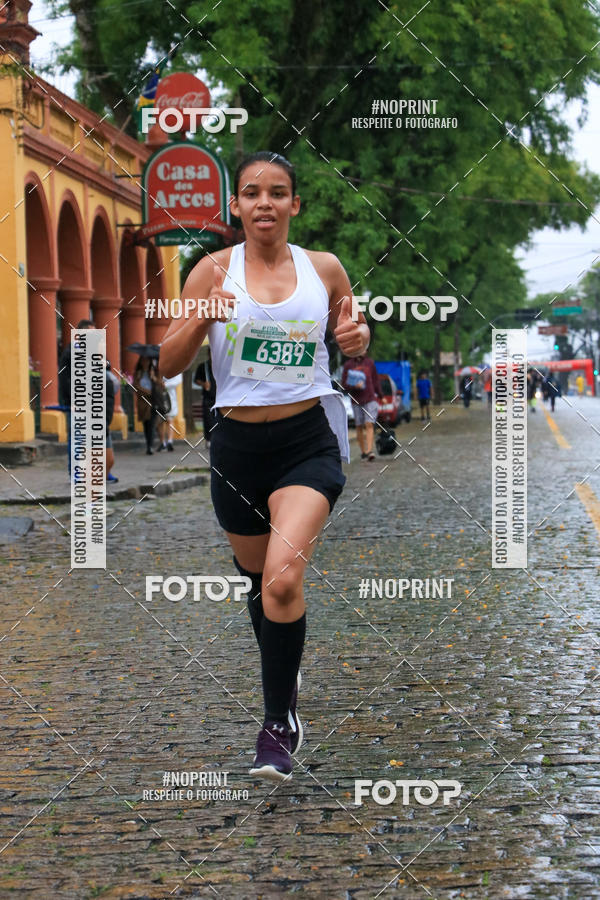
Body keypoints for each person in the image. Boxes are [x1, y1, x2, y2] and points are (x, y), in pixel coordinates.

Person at [159, 151, 369, 782]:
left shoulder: (324, 269)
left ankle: (277, 725)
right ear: (237, 206)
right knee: (259, 585)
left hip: (308, 439)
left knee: (281, 579)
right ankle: (287, 664)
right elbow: (167, 364)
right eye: (252, 193)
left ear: (294, 205)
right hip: (236, 448)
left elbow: (351, 334)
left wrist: (358, 341)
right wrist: (201, 319)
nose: (265, 203)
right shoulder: (211, 271)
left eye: (278, 193)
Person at [58, 319, 94, 476]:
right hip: (76, 402)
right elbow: (66, 379)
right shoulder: (72, 352)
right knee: (77, 437)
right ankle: (75, 471)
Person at [341, 352, 382, 460]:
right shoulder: (348, 365)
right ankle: (363, 451)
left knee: (369, 424)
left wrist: (381, 396)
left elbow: (375, 381)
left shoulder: (370, 363)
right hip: (356, 400)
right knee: (359, 425)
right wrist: (354, 385)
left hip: (370, 398)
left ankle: (369, 451)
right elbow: (343, 385)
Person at [133, 356, 159, 454]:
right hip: (143, 402)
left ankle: (150, 446)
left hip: (153, 401)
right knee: (146, 424)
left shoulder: (153, 372)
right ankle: (148, 443)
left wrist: (153, 377)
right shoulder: (138, 373)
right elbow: (136, 386)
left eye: (147, 361)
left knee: (152, 424)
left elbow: (160, 385)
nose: (146, 362)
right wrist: (147, 392)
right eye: (144, 360)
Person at [194, 350, 217, 445]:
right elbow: (196, 380)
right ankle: (208, 439)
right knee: (208, 419)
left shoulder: (219, 366)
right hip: (207, 397)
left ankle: (217, 438)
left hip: (218, 396)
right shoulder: (203, 366)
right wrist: (204, 384)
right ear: (208, 354)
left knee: (217, 419)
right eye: (211, 353)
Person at [162, 372, 182, 451]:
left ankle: (169, 441)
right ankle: (163, 442)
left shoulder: (177, 368)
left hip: (170, 397)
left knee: (169, 419)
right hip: (160, 396)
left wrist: (165, 385)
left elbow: (177, 380)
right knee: (161, 421)